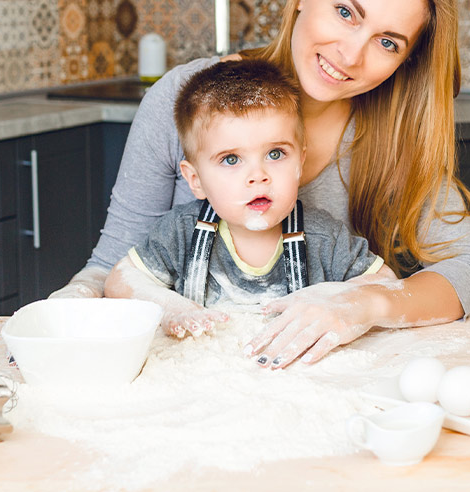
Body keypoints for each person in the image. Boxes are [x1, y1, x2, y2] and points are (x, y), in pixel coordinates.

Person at [53, 0, 470, 367]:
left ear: (404, 61)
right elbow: (112, 265)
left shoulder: (393, 138)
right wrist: (69, 307)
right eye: (345, 12)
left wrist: (366, 305)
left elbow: (469, 275)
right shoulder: (187, 98)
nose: (351, 55)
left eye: (387, 42)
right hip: (188, 371)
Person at [104, 59, 398, 355]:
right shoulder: (181, 233)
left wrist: (333, 298)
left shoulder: (324, 240)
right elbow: (120, 280)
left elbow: (385, 283)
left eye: (275, 153)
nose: (258, 175)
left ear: (300, 161)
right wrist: (171, 309)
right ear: (196, 180)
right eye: (231, 159)